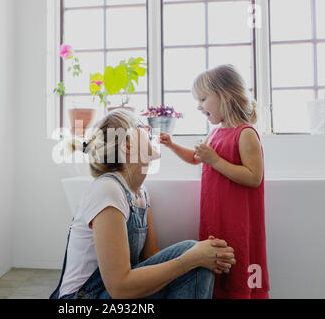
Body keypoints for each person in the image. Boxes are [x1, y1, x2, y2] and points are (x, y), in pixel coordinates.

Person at [50, 109, 236, 299]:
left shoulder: (140, 192)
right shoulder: (107, 190)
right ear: (128, 146)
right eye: (141, 126)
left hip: (111, 293)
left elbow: (151, 258)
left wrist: (206, 254)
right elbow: (120, 288)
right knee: (192, 254)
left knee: (195, 256)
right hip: (84, 298)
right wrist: (190, 259)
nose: (149, 128)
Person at [159, 64, 270, 299]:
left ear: (225, 96)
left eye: (202, 99)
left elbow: (254, 177)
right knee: (215, 258)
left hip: (238, 219)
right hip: (215, 215)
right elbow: (195, 158)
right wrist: (171, 144)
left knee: (238, 257)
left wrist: (216, 160)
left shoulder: (246, 133)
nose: (198, 106)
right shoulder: (216, 132)